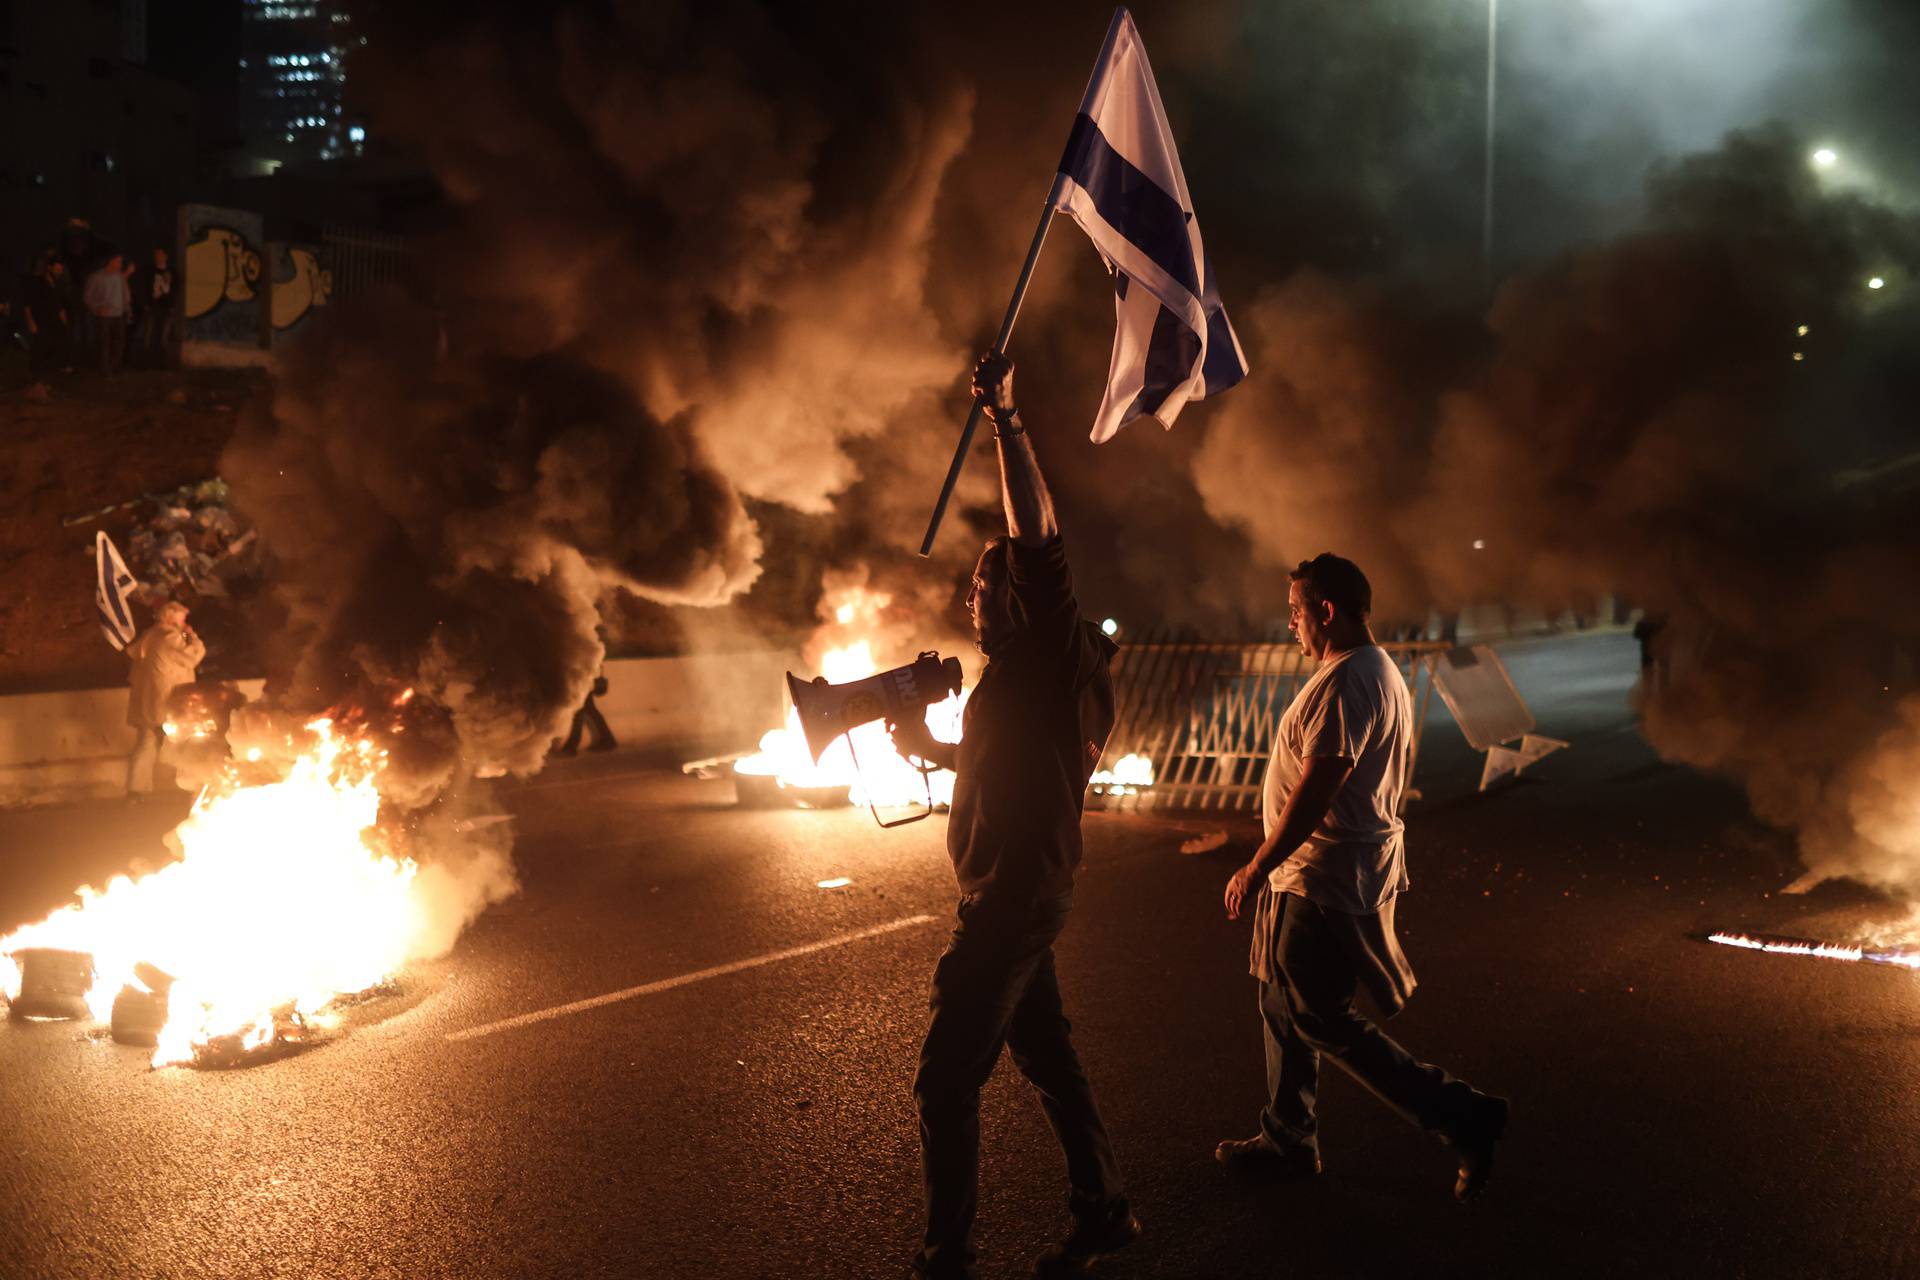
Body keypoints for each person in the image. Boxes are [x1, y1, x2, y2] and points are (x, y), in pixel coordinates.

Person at [889, 353, 1134, 1280]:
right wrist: (937, 752)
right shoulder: (1019, 684)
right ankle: (1104, 1208)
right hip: (1020, 895)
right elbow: (1011, 766)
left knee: (945, 1082)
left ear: (1022, 595)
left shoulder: (1048, 654)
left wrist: (1006, 422)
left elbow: (1039, 538)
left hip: (1010, 904)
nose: (972, 596)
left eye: (985, 585)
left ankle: (946, 1256)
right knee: (1049, 1059)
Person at [1218, 554, 1508, 1200]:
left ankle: (1463, 1115)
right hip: (1309, 871)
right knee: (1277, 996)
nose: (1290, 624)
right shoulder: (1361, 670)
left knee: (1318, 1016)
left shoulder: (1352, 679)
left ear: (1326, 611)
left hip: (1324, 873)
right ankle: (1288, 1135)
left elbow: (1322, 783)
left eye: (1296, 612)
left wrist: (1258, 862)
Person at [125, 601, 205, 800]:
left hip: (146, 703)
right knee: (183, 744)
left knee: (146, 745)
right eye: (182, 619)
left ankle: (135, 791)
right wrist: (193, 637)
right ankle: (189, 789)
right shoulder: (169, 637)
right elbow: (193, 657)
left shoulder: (149, 636)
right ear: (171, 618)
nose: (184, 623)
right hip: (168, 704)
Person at [22, 254, 71, 391]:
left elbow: (58, 303)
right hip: (41, 320)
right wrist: (30, 321)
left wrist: (63, 319)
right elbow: (28, 304)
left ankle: (44, 380)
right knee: (39, 350)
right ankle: (36, 380)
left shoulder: (56, 283)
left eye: (60, 270)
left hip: (54, 322)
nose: (59, 272)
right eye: (57, 269)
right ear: (49, 268)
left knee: (53, 349)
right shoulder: (37, 282)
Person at [83, 252, 131, 375]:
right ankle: (104, 369)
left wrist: (127, 309)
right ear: (111, 262)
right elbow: (87, 297)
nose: (120, 264)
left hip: (118, 314)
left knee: (119, 342)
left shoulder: (119, 277)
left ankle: (115, 366)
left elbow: (125, 294)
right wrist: (97, 308)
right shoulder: (97, 277)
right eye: (118, 261)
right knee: (104, 343)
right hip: (104, 315)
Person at [557, 667, 616, 755]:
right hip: (585, 678)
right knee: (589, 711)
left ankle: (571, 746)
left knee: (580, 712)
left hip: (583, 678)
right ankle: (608, 740)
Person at [137, 248, 177, 364]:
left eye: (160, 255)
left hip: (167, 308)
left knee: (164, 336)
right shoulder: (149, 271)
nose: (157, 257)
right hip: (152, 307)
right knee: (148, 335)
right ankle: (146, 363)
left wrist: (172, 305)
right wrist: (145, 303)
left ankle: (162, 363)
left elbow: (175, 290)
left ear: (165, 256)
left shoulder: (172, 272)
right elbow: (144, 287)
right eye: (156, 255)